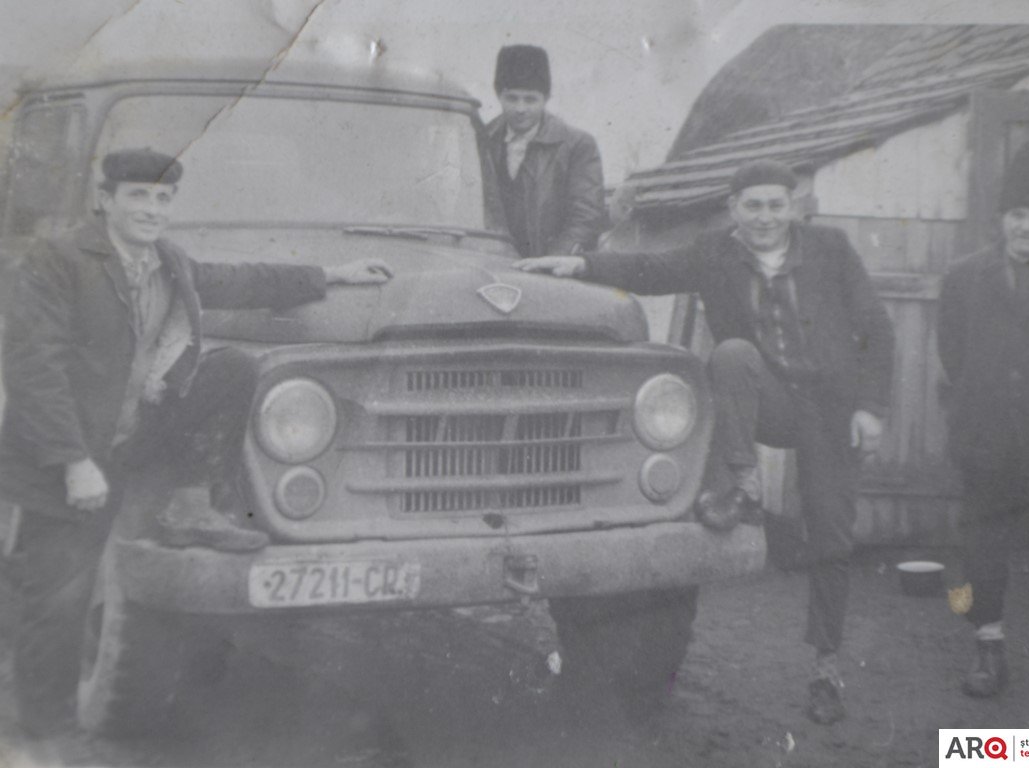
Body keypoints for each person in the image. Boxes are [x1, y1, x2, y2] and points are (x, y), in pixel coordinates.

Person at [0, 148, 392, 735]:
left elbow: (240, 280)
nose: (151, 209)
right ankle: (39, 741)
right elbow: (35, 369)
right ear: (106, 200)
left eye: (163, 198)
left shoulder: (169, 261)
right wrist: (73, 461)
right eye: (138, 195)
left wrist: (332, 274)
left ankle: (190, 500)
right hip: (68, 457)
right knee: (57, 602)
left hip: (132, 441)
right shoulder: (58, 260)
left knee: (231, 368)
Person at [514, 159, 894, 725]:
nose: (764, 217)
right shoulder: (715, 252)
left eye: (775, 205)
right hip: (766, 399)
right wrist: (580, 264)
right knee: (732, 355)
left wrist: (870, 408)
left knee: (831, 534)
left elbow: (877, 329)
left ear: (792, 207)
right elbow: (648, 268)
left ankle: (826, 668)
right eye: (752, 206)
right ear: (733, 208)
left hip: (830, 409)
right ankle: (744, 486)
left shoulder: (830, 249)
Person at [937, 136, 1029, 702]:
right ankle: (987, 649)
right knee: (982, 549)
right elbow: (953, 352)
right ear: (1001, 218)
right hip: (986, 437)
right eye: (1018, 214)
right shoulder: (964, 277)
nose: (1027, 227)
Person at [486, 44, 607, 257]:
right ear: (499, 95)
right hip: (491, 261)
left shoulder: (578, 145)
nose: (520, 109)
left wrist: (552, 261)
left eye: (530, 99)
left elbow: (586, 218)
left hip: (549, 265)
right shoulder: (483, 140)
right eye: (512, 98)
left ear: (546, 98)